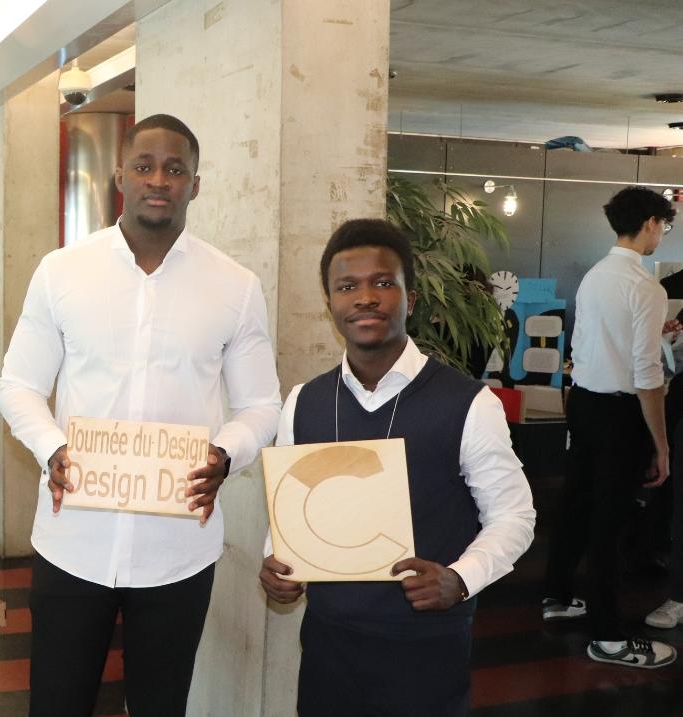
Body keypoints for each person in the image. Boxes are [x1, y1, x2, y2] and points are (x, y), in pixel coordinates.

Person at [0, 114, 281, 716]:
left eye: (175, 169)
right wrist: (52, 447)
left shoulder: (235, 286)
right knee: (56, 703)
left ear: (195, 185)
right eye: (145, 166)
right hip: (74, 540)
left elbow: (261, 406)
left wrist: (226, 453)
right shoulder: (62, 272)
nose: (160, 179)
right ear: (120, 176)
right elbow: (19, 385)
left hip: (178, 547)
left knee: (160, 705)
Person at [258, 219, 536, 716]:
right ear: (331, 304)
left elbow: (515, 516)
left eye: (383, 283)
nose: (365, 297)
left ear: (411, 298)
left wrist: (460, 577)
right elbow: (290, 508)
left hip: (425, 643)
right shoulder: (304, 402)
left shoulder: (468, 403)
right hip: (328, 642)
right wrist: (277, 561)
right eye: (348, 286)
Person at [543, 186, 678, 667]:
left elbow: (593, 342)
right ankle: (609, 638)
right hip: (621, 414)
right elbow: (646, 378)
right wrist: (661, 445)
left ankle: (557, 596)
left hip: (584, 402)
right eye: (664, 224)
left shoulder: (597, 276)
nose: (663, 232)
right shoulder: (645, 287)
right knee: (611, 521)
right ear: (648, 224)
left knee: (578, 501)